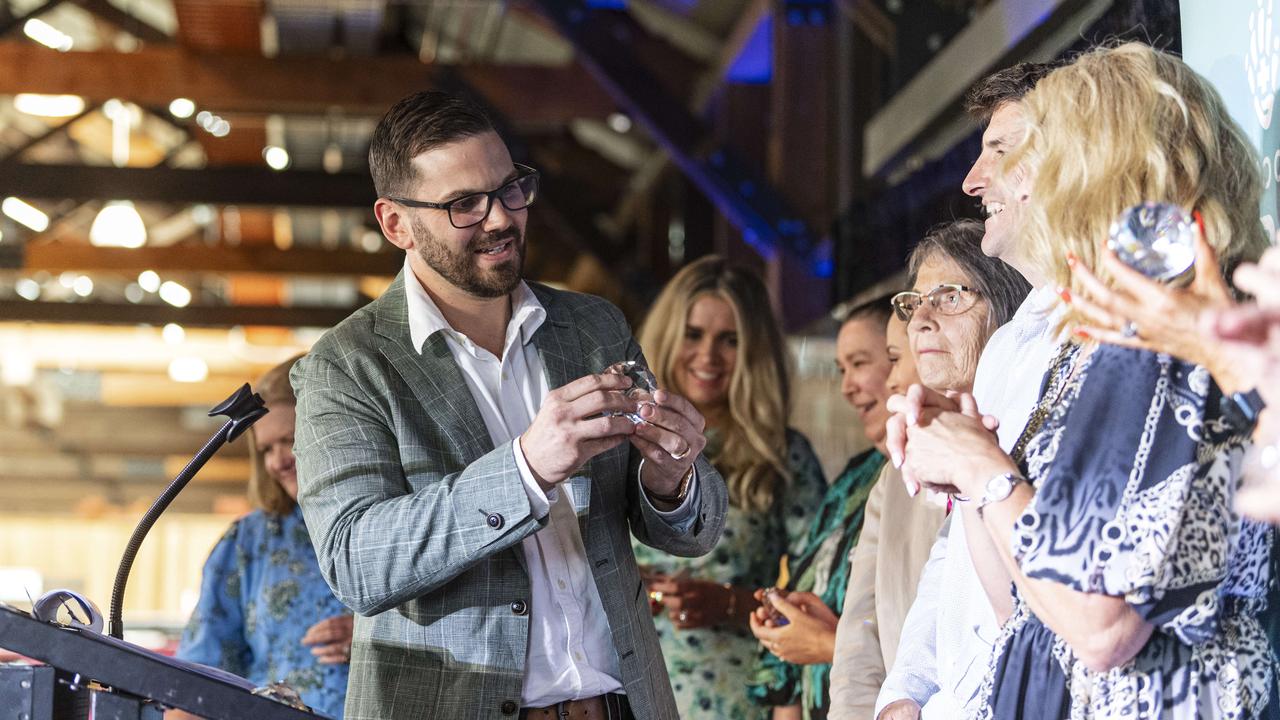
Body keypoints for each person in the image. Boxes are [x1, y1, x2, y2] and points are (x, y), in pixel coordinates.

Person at [289, 91, 728, 720]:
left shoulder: (592, 326)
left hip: (619, 705)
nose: (501, 218)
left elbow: (696, 528)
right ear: (396, 224)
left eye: (510, 189)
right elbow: (358, 562)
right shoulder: (346, 365)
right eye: (464, 204)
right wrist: (525, 468)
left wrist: (670, 480)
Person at [888, 43, 1277, 719]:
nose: (1005, 181)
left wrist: (985, 472)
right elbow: (1025, 602)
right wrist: (972, 462)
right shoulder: (1097, 347)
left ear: (1100, 166)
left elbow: (1102, 626)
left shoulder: (1175, 339)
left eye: (1033, 155)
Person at [875, 61, 1057, 720]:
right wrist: (900, 695)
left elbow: (1088, 616)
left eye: (998, 152)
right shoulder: (1017, 348)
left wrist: (975, 464)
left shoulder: (1107, 342)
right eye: (915, 302)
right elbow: (962, 566)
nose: (972, 181)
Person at [829, 219, 1029, 720]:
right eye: (915, 302)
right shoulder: (898, 472)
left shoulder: (1034, 433)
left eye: (949, 296)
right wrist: (899, 695)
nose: (920, 320)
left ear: (1009, 312)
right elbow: (871, 637)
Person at [630, 257, 827, 720]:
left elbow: (823, 591)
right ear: (667, 335)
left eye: (730, 340)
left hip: (737, 697)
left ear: (755, 351)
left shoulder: (781, 454)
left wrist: (733, 603)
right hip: (622, 688)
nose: (708, 356)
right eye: (694, 334)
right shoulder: (622, 442)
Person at [745, 294, 895, 720]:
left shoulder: (934, 484)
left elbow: (937, 650)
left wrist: (829, 645)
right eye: (842, 369)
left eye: (861, 363)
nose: (847, 386)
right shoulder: (855, 479)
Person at [177, 355, 352, 719]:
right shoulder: (248, 541)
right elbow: (199, 674)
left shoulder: (393, 519)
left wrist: (375, 635)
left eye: (289, 440)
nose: (277, 461)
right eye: (266, 449)